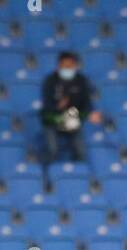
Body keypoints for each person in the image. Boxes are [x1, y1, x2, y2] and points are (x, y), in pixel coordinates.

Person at [39, 51, 101, 179]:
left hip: (72, 119)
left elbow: (87, 103)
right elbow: (46, 106)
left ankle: (79, 179)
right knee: (52, 150)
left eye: (70, 66)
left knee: (81, 151)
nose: (67, 69)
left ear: (75, 66)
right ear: (58, 66)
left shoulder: (81, 81)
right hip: (53, 120)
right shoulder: (50, 81)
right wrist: (58, 107)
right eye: (64, 66)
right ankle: (46, 179)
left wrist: (90, 113)